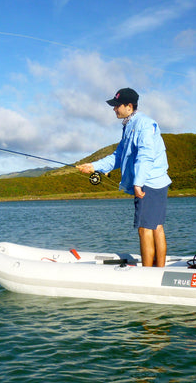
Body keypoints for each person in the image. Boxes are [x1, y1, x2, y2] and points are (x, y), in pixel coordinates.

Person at [77, 88, 171, 267]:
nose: (114, 109)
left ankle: (149, 273)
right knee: (156, 226)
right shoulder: (130, 125)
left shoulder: (144, 124)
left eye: (117, 105)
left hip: (148, 183)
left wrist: (138, 183)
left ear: (129, 106)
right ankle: (159, 271)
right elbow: (119, 156)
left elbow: (146, 154)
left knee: (145, 229)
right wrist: (93, 166)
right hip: (155, 181)